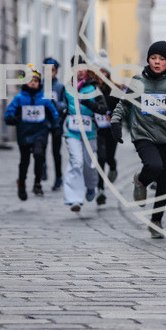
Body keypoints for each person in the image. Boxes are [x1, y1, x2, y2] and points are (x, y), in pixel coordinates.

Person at [110, 41, 166, 238]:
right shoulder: (138, 81)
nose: (157, 62)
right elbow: (124, 104)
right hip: (143, 134)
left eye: (162, 59)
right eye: (154, 58)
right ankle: (142, 181)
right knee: (154, 166)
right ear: (148, 60)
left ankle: (156, 221)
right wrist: (115, 121)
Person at [4, 66, 59, 200]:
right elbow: (8, 114)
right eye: (30, 80)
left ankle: (37, 183)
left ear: (39, 82)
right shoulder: (19, 98)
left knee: (39, 155)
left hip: (40, 132)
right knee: (25, 160)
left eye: (35, 80)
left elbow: (54, 114)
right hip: (24, 133)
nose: (33, 82)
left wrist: (55, 126)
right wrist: (13, 118)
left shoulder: (45, 99)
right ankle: (21, 183)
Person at [63, 57, 107, 213]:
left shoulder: (93, 88)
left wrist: (89, 103)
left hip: (90, 135)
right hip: (72, 133)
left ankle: (90, 187)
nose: (80, 71)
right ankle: (74, 199)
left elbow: (103, 108)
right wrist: (61, 110)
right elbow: (62, 105)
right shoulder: (68, 88)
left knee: (89, 165)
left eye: (83, 67)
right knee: (76, 162)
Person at [94, 65, 120, 204]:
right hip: (98, 129)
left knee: (109, 156)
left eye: (104, 73)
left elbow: (121, 107)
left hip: (111, 129)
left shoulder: (114, 90)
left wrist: (113, 115)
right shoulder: (93, 90)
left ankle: (114, 166)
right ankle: (100, 189)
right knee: (101, 158)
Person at [41, 57, 68, 191]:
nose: (49, 73)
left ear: (56, 72)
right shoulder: (39, 86)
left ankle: (58, 177)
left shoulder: (60, 87)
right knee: (40, 148)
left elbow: (64, 104)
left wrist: (55, 104)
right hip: (42, 123)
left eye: (52, 70)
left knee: (56, 151)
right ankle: (43, 167)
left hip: (56, 122)